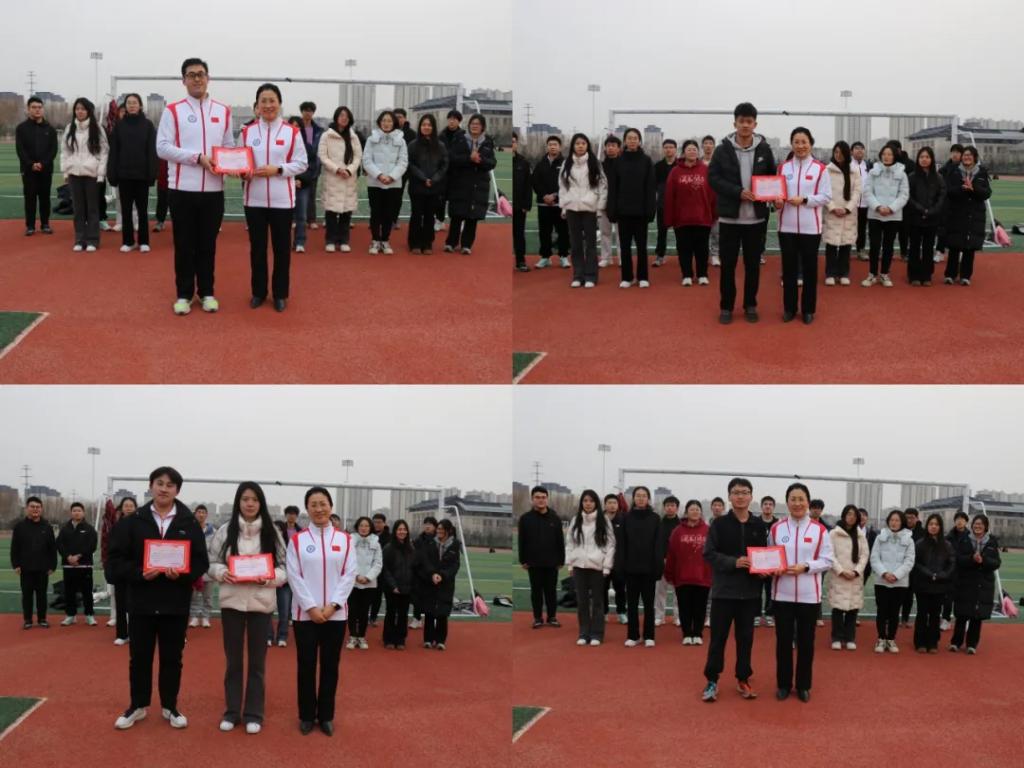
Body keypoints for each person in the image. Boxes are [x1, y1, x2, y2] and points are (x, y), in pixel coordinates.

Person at [108, 466, 210, 730]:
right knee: (139, 658)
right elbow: (114, 561)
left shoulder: (189, 523)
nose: (164, 489)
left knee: (172, 658)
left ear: (177, 490)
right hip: (141, 603)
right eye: (159, 483)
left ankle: (170, 706)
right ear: (151, 486)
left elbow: (201, 562)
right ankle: (138, 706)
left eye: (170, 485)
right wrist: (140, 573)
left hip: (175, 604)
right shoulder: (132, 521)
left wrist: (184, 575)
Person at [207, 482, 287, 734]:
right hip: (232, 603)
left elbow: (285, 567)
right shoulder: (225, 531)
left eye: (254, 499)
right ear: (238, 502)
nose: (250, 504)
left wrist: (269, 577)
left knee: (257, 663)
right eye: (245, 499)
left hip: (261, 605)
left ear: (261, 503)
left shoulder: (272, 533)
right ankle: (232, 712)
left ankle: (254, 713)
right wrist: (222, 572)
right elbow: (211, 562)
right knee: (233, 661)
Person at [156, 58, 234, 315]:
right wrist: (197, 158)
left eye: (201, 74)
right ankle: (184, 294)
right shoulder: (173, 111)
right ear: (184, 80)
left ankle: (207, 292)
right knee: (184, 245)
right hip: (182, 190)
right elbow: (162, 147)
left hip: (213, 192)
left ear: (208, 78)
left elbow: (229, 148)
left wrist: (234, 164)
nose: (197, 79)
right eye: (191, 75)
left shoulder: (223, 111)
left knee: (208, 245)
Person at [286, 487, 356, 736]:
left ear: (330, 506)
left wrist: (333, 606)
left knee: (330, 666)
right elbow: (294, 576)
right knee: (306, 666)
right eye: (313, 504)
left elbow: (349, 575)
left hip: (336, 616)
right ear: (307, 509)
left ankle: (326, 715)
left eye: (323, 503)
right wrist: (311, 608)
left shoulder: (345, 540)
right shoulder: (298, 540)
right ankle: (306, 715)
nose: (319, 509)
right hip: (305, 616)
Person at [239, 84, 308, 313]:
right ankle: (258, 292)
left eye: (272, 100)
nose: (268, 105)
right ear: (257, 105)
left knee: (281, 249)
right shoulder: (247, 132)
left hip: (282, 201)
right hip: (254, 201)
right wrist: (242, 172)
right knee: (257, 249)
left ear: (279, 104)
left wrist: (277, 170)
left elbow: (302, 163)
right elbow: (239, 162)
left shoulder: (292, 132)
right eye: (263, 101)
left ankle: (280, 294)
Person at [701, 478, 770, 702]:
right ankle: (712, 680)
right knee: (718, 639)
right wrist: (734, 562)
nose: (740, 496)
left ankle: (743, 678)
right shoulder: (719, 524)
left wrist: (763, 571)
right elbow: (709, 554)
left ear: (751, 496)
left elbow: (764, 557)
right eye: (736, 492)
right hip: (723, 592)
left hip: (750, 594)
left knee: (746, 639)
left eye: (745, 492)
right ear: (729, 496)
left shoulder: (759, 525)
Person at [708, 103, 776, 324]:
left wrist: (774, 196)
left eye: (749, 121)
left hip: (756, 220)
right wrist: (737, 192)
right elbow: (713, 179)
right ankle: (726, 306)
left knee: (753, 266)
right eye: (741, 121)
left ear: (755, 124)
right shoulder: (722, 150)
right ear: (734, 123)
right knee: (727, 266)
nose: (745, 125)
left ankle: (750, 304)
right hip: (730, 218)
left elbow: (772, 177)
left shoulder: (764, 150)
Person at [768, 483, 834, 703]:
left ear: (808, 502)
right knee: (783, 642)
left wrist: (805, 566)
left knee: (806, 642)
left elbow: (827, 560)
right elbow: (769, 557)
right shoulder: (776, 529)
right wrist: (773, 567)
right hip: (782, 594)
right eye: (793, 499)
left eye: (801, 499)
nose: (797, 503)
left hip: (809, 596)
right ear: (787, 502)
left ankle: (804, 685)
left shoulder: (820, 530)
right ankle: (784, 684)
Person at [775, 127, 831, 324]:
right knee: (789, 269)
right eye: (796, 142)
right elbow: (776, 194)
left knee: (809, 270)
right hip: (786, 227)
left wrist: (805, 200)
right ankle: (789, 308)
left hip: (811, 228)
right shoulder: (783, 168)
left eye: (804, 142)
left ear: (811, 144)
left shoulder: (820, 169)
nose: (800, 146)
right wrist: (777, 202)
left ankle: (808, 309)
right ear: (791, 144)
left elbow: (826, 196)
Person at [107, 93, 158, 253]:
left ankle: (144, 241)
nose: (132, 105)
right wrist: (112, 173)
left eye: (135, 102)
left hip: (142, 176)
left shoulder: (148, 125)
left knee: (142, 211)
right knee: (126, 210)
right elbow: (114, 152)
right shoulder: (119, 126)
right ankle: (128, 241)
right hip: (124, 175)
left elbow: (152, 151)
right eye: (129, 103)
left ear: (140, 106)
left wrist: (152, 174)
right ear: (126, 106)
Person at [606, 128, 656, 289]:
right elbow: (613, 188)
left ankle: (643, 277)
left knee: (642, 246)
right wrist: (612, 210)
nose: (632, 141)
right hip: (623, 212)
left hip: (641, 212)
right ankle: (627, 277)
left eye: (635, 138)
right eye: (629, 138)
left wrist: (650, 210)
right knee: (625, 246)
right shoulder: (618, 161)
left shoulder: (646, 161)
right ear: (625, 141)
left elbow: (650, 187)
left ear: (639, 141)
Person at [565, 490, 615, 646]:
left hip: (597, 567)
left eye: (591, 501)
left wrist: (606, 566)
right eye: (585, 500)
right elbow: (570, 543)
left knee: (598, 602)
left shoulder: (603, 520)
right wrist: (570, 564)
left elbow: (611, 544)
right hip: (579, 566)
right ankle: (583, 633)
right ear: (582, 502)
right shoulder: (576, 520)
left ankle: (597, 634)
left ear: (596, 503)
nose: (588, 503)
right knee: (582, 602)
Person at [663, 139, 716, 287]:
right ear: (683, 152)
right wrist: (669, 217)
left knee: (702, 249)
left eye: (694, 149)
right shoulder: (675, 171)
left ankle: (702, 274)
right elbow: (669, 195)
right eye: (689, 149)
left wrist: (713, 213)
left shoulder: (705, 170)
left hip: (702, 217)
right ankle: (686, 274)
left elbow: (712, 193)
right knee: (684, 248)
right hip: (681, 218)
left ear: (698, 152)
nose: (692, 152)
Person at [559, 132, 607, 289]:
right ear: (573, 146)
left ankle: (591, 276)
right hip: (572, 207)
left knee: (591, 244)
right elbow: (562, 187)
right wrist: (564, 206)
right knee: (575, 244)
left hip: (589, 208)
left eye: (583, 143)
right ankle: (578, 275)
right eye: (577, 143)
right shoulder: (567, 164)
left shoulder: (595, 163)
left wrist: (599, 207)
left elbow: (602, 186)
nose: (580, 146)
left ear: (587, 146)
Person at [61, 97, 109, 252]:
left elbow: (104, 152)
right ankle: (79, 239)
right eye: (77, 109)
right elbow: (65, 151)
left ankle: (93, 240)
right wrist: (65, 170)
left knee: (92, 209)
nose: (79, 111)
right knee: (78, 209)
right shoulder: (70, 128)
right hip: (74, 173)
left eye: (83, 109)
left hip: (91, 174)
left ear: (88, 111)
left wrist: (100, 173)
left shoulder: (97, 128)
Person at [949, 514, 1000, 654]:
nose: (978, 526)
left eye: (981, 524)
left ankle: (972, 644)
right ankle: (955, 642)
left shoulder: (992, 542)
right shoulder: (964, 539)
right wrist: (972, 559)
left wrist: (983, 560)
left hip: (983, 584)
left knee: (977, 616)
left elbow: (996, 563)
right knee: (962, 614)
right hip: (965, 582)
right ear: (972, 525)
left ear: (986, 526)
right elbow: (958, 559)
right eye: (976, 524)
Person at [445, 113, 495, 255]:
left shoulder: (487, 142)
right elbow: (452, 158)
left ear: (482, 127)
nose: (474, 126)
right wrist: (469, 158)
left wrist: (480, 160)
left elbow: (492, 163)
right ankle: (451, 243)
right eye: (472, 123)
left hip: (479, 185)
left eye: (478, 124)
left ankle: (466, 245)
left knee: (472, 217)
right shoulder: (460, 138)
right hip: (460, 182)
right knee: (457, 214)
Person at [664, 500, 712, 645]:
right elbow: (671, 554)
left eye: (697, 509)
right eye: (692, 509)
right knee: (684, 606)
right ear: (686, 512)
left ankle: (697, 633)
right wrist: (669, 573)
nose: (695, 512)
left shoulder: (708, 530)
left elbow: (713, 552)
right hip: (682, 576)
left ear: (701, 512)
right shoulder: (677, 531)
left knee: (700, 606)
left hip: (703, 576)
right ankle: (686, 633)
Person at [620, 486, 663, 647]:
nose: (641, 498)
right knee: (631, 605)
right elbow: (622, 544)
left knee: (649, 605)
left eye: (644, 495)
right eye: (638, 495)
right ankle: (633, 635)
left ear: (648, 499)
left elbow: (658, 545)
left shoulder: (655, 518)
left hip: (649, 570)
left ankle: (649, 636)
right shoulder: (626, 517)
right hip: (630, 569)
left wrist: (657, 567)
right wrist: (621, 566)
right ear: (633, 498)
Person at [862, 144, 909, 288]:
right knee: (874, 245)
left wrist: (891, 208)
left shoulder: (901, 173)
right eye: (884, 154)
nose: (886, 157)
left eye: (889, 154)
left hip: (893, 215)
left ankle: (884, 274)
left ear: (895, 156)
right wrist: (877, 206)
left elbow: (904, 194)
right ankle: (872, 274)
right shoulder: (873, 172)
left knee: (888, 246)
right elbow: (867, 192)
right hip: (875, 214)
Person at [943, 146, 991, 286]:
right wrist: (962, 188)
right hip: (957, 213)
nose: (967, 157)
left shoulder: (982, 173)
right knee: (954, 245)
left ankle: (965, 276)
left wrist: (973, 189)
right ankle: (950, 274)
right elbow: (948, 191)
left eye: (970, 155)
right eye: (965, 155)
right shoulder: (954, 172)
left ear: (975, 157)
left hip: (974, 214)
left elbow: (987, 193)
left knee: (970, 247)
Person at [518, 486, 565, 628]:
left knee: (551, 591)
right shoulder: (525, 519)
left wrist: (561, 560)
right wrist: (523, 560)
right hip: (533, 562)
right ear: (532, 499)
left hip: (552, 562)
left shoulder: (555, 518)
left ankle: (552, 617)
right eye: (537, 497)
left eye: (543, 497)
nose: (541, 500)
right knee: (536, 591)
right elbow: (522, 541)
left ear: (547, 499)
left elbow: (560, 541)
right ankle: (537, 618)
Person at [869, 509, 915, 654]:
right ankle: (881, 638)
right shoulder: (880, 537)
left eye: (897, 520)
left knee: (895, 612)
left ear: (902, 522)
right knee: (882, 611)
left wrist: (896, 575)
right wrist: (884, 573)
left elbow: (909, 561)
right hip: (882, 581)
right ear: (888, 521)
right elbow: (874, 558)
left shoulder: (909, 539)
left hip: (899, 582)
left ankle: (891, 639)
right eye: (892, 520)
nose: (894, 523)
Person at [362, 110, 408, 255]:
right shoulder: (371, 139)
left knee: (389, 213)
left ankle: (385, 240)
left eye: (389, 121)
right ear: (379, 122)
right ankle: (375, 240)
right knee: (375, 212)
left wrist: (392, 177)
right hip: (375, 182)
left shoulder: (401, 140)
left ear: (394, 123)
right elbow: (367, 160)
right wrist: (379, 175)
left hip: (393, 183)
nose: (386, 123)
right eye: (384, 120)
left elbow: (403, 161)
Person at [318, 106, 362, 253]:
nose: (344, 118)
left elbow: (358, 157)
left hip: (348, 178)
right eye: (341, 115)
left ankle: (343, 240)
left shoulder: (354, 136)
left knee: (346, 212)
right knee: (331, 212)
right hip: (333, 177)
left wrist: (349, 170)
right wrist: (337, 169)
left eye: (346, 116)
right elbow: (323, 156)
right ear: (336, 117)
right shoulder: (327, 136)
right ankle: (330, 240)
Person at [414, 518, 462, 650]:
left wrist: (443, 575)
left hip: (446, 583)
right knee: (429, 611)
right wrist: (432, 574)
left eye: (442, 529)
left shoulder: (455, 544)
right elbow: (426, 561)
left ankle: (441, 640)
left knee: (442, 612)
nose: (439, 531)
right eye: (438, 528)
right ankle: (428, 639)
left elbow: (455, 565)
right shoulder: (430, 542)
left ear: (448, 530)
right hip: (430, 581)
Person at [11, 496, 57, 629]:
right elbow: (15, 548)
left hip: (43, 568)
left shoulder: (47, 527)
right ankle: (28, 620)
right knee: (27, 596)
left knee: (42, 595)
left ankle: (42, 619)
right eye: (32, 507)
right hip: (25, 568)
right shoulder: (19, 527)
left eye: (38, 507)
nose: (35, 509)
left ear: (41, 509)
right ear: (27, 508)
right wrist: (16, 564)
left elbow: (52, 548)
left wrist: (52, 565)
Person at [912, 513, 955, 654]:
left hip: (940, 585)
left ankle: (933, 642)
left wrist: (943, 575)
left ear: (940, 527)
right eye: (931, 524)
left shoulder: (947, 545)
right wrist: (929, 574)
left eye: (936, 524)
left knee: (935, 614)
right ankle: (920, 642)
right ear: (927, 526)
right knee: (922, 613)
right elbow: (916, 563)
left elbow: (951, 563)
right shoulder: (920, 544)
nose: (933, 527)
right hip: (923, 584)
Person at [16, 96, 58, 236]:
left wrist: (43, 164)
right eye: (34, 107)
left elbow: (53, 150)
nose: (37, 110)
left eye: (39, 107)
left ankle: (45, 224)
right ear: (28, 109)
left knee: (45, 197)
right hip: (28, 171)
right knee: (30, 198)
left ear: (43, 109)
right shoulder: (21, 129)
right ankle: (30, 226)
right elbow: (20, 150)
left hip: (46, 170)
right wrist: (31, 164)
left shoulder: (50, 129)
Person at [406, 114, 449, 254]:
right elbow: (410, 164)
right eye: (424, 124)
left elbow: (444, 165)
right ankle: (414, 242)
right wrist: (423, 178)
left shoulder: (440, 146)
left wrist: (434, 179)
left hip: (434, 187)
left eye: (429, 125)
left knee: (430, 215)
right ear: (420, 127)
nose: (426, 127)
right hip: (417, 185)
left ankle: (427, 242)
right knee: (416, 214)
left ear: (433, 127)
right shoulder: (413, 145)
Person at [828, 504, 868, 651]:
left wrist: (856, 571)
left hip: (855, 577)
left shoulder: (860, 535)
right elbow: (830, 555)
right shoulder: (834, 534)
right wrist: (841, 571)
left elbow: (864, 555)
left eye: (854, 515)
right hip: (839, 576)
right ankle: (837, 637)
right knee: (838, 610)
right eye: (849, 514)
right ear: (844, 515)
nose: (851, 517)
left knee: (853, 609)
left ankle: (850, 638)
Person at [904, 147, 946, 286]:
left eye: (927, 157)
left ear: (931, 159)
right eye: (921, 157)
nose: (924, 159)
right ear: (918, 159)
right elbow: (908, 196)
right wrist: (921, 210)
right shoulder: (912, 177)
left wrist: (932, 211)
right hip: (915, 217)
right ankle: (913, 275)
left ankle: (927, 275)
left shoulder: (938, 177)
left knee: (928, 248)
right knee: (914, 247)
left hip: (932, 219)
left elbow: (941, 196)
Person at [822, 141, 862, 286]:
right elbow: (823, 191)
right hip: (832, 212)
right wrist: (832, 207)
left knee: (846, 244)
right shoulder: (826, 170)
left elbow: (857, 192)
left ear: (847, 154)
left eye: (841, 152)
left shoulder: (854, 171)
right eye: (836, 152)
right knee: (831, 245)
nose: (838, 155)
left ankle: (843, 273)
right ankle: (830, 273)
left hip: (848, 213)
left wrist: (847, 208)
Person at [56, 501, 99, 626]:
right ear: (71, 513)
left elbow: (92, 546)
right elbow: (60, 544)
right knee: (69, 592)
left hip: (85, 566)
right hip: (69, 566)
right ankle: (71, 615)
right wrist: (68, 557)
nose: (76, 513)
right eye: (74, 510)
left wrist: (78, 556)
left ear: (83, 513)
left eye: (79, 510)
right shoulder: (65, 529)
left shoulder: (89, 529)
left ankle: (89, 615)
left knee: (87, 592)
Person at [531, 135, 569, 269]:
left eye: (555, 144)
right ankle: (545, 257)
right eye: (550, 144)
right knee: (544, 232)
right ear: (547, 147)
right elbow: (535, 182)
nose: (552, 147)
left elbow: (567, 183)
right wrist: (544, 196)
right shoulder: (540, 164)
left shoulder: (565, 163)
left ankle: (563, 256)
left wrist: (555, 196)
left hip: (560, 204)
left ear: (560, 147)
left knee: (563, 231)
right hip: (543, 204)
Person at [345, 516, 382, 650]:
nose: (364, 528)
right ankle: (352, 636)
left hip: (369, 583)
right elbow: (346, 560)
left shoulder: (376, 542)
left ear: (370, 528)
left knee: (364, 611)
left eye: (366, 526)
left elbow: (378, 563)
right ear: (357, 527)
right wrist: (356, 576)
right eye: (361, 525)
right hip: (353, 582)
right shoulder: (350, 541)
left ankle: (361, 636)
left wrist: (367, 577)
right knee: (352, 611)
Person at [104, 497, 137, 642]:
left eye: (131, 505)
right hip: (120, 568)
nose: (128, 508)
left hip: (136, 569)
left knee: (136, 604)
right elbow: (111, 548)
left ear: (135, 508)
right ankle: (122, 634)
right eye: (126, 505)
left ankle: (136, 634)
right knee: (121, 602)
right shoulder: (116, 526)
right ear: (121, 508)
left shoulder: (141, 525)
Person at [269, 505, 303, 647]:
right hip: (271, 575)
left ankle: (282, 636)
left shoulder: (301, 532)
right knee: (268, 609)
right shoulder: (277, 530)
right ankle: (268, 636)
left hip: (289, 577)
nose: (291, 516)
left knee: (285, 610)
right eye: (289, 513)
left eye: (294, 514)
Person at [381, 519, 415, 650]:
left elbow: (414, 568)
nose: (402, 532)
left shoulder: (411, 548)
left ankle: (400, 639)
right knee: (391, 612)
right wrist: (393, 585)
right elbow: (385, 569)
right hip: (392, 588)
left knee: (403, 613)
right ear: (395, 531)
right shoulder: (388, 548)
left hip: (407, 587)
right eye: (400, 529)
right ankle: (388, 638)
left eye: (404, 529)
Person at [653, 496, 681, 627]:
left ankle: (678, 616)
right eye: (668, 505)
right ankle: (659, 616)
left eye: (672, 505)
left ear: (677, 508)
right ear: (664, 507)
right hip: (661, 561)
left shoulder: (682, 525)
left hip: (677, 562)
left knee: (678, 591)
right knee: (660, 591)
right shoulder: (658, 524)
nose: (670, 508)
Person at [942, 510, 970, 630]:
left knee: (963, 599)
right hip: (950, 573)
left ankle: (964, 621)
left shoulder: (970, 537)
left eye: (962, 519)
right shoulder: (948, 537)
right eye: (958, 519)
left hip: (965, 573)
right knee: (947, 599)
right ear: (954, 521)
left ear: (966, 522)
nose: (960, 521)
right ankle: (946, 620)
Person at [437, 110, 465, 230]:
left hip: (458, 173)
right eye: (450, 118)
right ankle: (439, 220)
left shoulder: (464, 136)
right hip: (443, 173)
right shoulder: (441, 135)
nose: (452, 121)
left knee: (457, 200)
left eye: (455, 119)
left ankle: (459, 222)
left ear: (459, 121)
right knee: (440, 198)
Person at [297, 101, 323, 234]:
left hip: (313, 167)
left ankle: (311, 220)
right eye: (305, 110)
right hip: (297, 165)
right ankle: (295, 219)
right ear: (301, 112)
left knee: (311, 194)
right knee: (296, 193)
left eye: (310, 110)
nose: (308, 113)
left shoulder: (318, 130)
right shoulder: (295, 128)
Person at [189, 504, 216, 628]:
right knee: (194, 595)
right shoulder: (190, 529)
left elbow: (215, 550)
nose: (201, 514)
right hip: (194, 567)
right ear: (195, 514)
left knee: (207, 596)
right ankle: (194, 617)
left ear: (206, 515)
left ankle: (205, 617)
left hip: (208, 568)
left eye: (203, 512)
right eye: (199, 512)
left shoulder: (213, 532)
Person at [935, 144, 964, 261]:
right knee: (942, 229)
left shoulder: (965, 170)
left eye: (958, 152)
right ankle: (940, 251)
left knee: (958, 230)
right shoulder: (943, 170)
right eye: (953, 152)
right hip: (945, 204)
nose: (955, 154)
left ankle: (959, 251)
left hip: (959, 204)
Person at [652, 139, 678, 267]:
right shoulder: (658, 166)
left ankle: (683, 255)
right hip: (662, 204)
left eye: (671, 147)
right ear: (663, 149)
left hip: (679, 205)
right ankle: (660, 255)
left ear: (675, 149)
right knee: (662, 231)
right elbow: (654, 185)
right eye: (666, 147)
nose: (669, 149)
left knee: (680, 232)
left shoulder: (680, 165)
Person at [409, 516, 437, 630]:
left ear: (435, 526)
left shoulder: (437, 540)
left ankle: (432, 619)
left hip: (432, 574)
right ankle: (417, 619)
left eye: (430, 524)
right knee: (416, 598)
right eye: (426, 524)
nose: (427, 526)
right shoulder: (418, 540)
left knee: (432, 599)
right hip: (418, 574)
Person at [598, 135, 621, 268]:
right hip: (603, 202)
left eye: (613, 146)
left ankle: (622, 257)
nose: (611, 148)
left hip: (619, 203)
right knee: (604, 232)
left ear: (618, 148)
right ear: (605, 148)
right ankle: (606, 258)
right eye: (608, 146)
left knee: (621, 233)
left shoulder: (623, 164)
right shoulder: (600, 166)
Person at [603, 494, 627, 624]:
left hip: (619, 561)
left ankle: (621, 613)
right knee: (602, 588)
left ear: (618, 505)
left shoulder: (623, 519)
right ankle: (604, 613)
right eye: (609, 502)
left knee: (620, 589)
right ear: (605, 504)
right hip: (602, 560)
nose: (612, 505)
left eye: (614, 503)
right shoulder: (599, 519)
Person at [899, 507, 925, 627]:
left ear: (917, 518)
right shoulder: (899, 530)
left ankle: (905, 619)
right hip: (900, 568)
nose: (909, 520)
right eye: (907, 518)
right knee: (898, 594)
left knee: (911, 595)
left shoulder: (923, 532)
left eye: (912, 517)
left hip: (917, 569)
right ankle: (892, 617)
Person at [392, 108, 417, 228]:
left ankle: (394, 219)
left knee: (399, 194)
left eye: (400, 117)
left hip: (406, 169)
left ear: (405, 118)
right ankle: (383, 219)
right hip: (390, 168)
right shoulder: (387, 132)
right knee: (388, 194)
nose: (398, 119)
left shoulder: (412, 134)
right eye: (395, 117)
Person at [755, 496, 777, 627]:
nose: (768, 506)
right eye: (765, 504)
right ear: (761, 506)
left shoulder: (778, 524)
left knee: (771, 590)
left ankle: (769, 614)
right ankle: (756, 615)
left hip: (772, 563)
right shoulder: (755, 522)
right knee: (756, 590)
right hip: (758, 562)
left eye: (770, 504)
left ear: (773, 507)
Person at [512, 132, 531, 272]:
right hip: (505, 206)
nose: (511, 143)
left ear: (516, 143)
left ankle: (521, 261)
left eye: (513, 141)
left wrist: (526, 205)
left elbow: (528, 186)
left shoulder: (523, 162)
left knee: (519, 234)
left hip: (519, 206)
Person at [701, 135, 721, 266]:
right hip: (701, 200)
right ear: (702, 146)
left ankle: (715, 254)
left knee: (716, 231)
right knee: (702, 231)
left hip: (716, 200)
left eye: (710, 143)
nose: (708, 146)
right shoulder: (697, 162)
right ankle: (703, 255)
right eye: (706, 143)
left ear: (714, 146)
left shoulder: (719, 162)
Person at [850, 141, 871, 259]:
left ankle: (860, 250)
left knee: (862, 229)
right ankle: (845, 250)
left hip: (865, 204)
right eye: (856, 148)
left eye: (862, 148)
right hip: (851, 204)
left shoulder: (868, 165)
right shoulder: (848, 165)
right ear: (851, 151)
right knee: (848, 228)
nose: (859, 150)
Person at [369, 513, 391, 627]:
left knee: (378, 596)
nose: (377, 524)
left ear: (384, 523)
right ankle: (362, 616)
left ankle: (373, 617)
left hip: (384, 572)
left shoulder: (390, 537)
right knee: (366, 596)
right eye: (375, 522)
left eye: (379, 522)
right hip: (369, 571)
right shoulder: (367, 535)